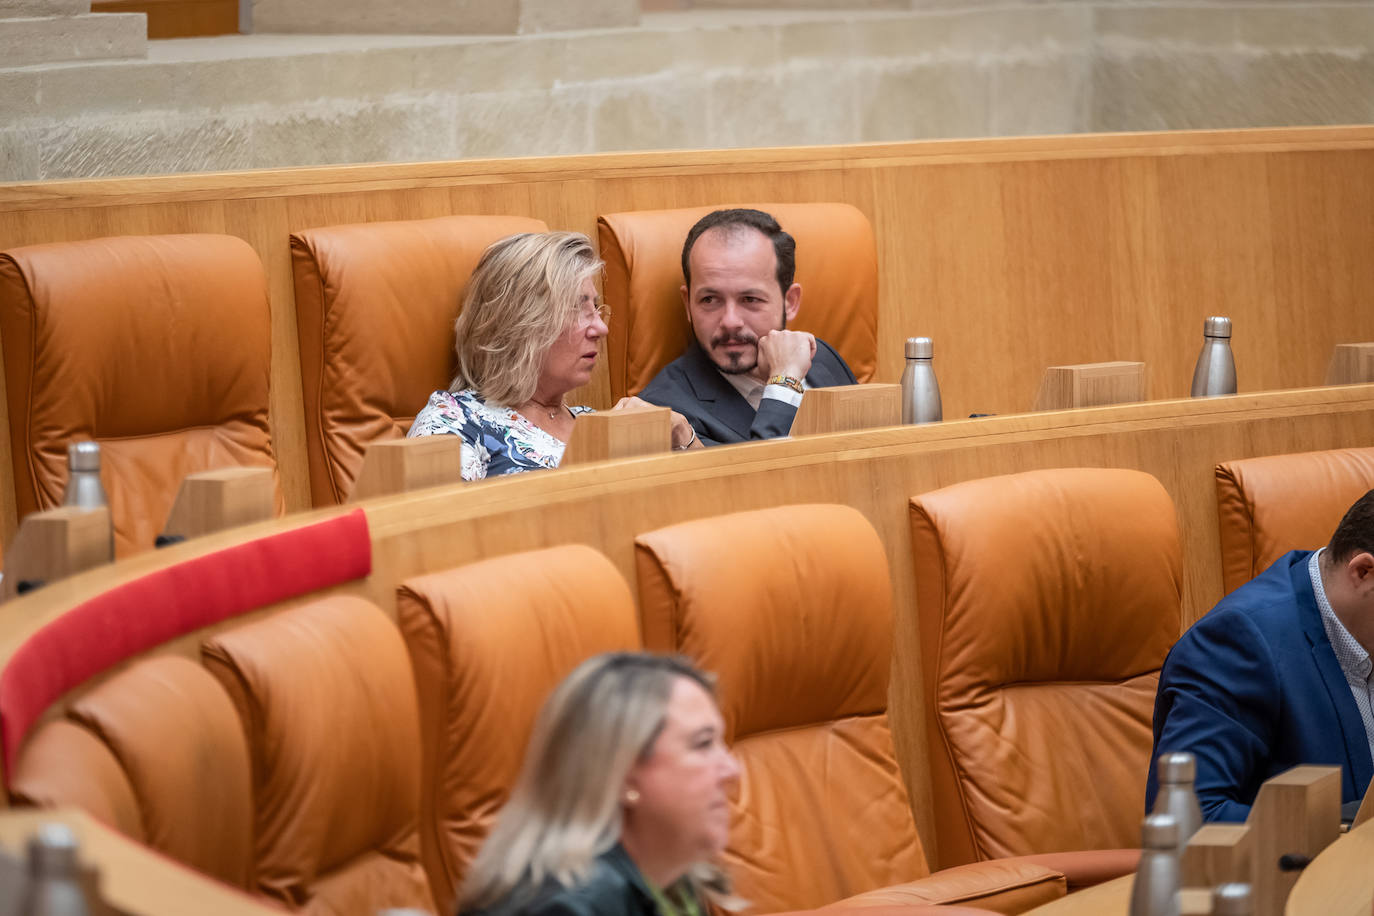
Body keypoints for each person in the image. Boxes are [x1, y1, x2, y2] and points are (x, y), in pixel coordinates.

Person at [1147, 489, 1374, 822]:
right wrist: (1341, 828)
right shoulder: (1237, 644)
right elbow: (1188, 821)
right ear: (1364, 572)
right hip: (1297, 871)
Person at [457, 652, 741, 916]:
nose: (732, 770)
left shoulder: (673, 880)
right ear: (621, 772)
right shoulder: (567, 908)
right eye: (703, 744)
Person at [409, 232, 699, 480]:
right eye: (577, 308)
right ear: (518, 322)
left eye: (597, 309)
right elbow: (436, 540)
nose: (600, 328)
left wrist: (682, 435)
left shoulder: (598, 425)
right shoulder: (452, 423)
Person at [638, 209, 857, 446]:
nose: (730, 321)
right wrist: (784, 382)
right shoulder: (667, 411)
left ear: (790, 302)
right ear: (688, 305)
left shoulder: (820, 357)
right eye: (709, 299)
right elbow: (764, 478)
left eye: (750, 299)